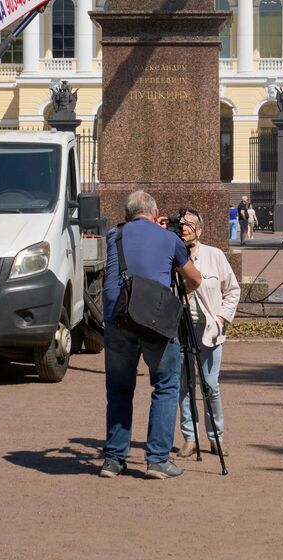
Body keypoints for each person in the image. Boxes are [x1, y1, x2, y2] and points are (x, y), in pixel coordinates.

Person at [100, 190, 201, 479]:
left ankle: (113, 459)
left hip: (117, 318)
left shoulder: (113, 236)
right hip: (155, 319)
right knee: (166, 385)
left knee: (119, 390)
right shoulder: (170, 239)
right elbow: (193, 279)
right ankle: (157, 459)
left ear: (127, 215)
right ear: (155, 214)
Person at [175, 209, 240, 457]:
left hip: (209, 329)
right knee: (185, 385)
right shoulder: (171, 256)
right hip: (180, 326)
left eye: (190, 224)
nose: (185, 228)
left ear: (200, 230)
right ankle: (190, 438)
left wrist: (222, 318)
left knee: (210, 386)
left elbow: (232, 290)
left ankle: (216, 437)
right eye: (181, 224)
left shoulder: (214, 255)